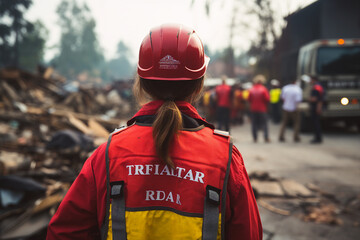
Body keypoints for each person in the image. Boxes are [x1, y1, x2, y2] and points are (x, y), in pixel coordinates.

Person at [46, 24, 262, 240]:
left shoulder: (108, 155)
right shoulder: (225, 158)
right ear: (199, 85)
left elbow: (62, 233)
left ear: (141, 83)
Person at [248, 74, 270, 143]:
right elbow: (267, 99)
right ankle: (266, 137)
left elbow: (249, 99)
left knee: (254, 124)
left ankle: (255, 138)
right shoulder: (264, 89)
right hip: (262, 109)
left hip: (253, 109)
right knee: (264, 124)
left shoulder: (251, 89)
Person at [309, 75, 324, 143]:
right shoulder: (318, 86)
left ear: (313, 80)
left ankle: (317, 138)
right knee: (316, 123)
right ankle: (318, 137)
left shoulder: (316, 87)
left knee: (316, 123)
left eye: (310, 80)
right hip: (316, 107)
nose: (309, 81)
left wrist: (318, 108)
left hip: (315, 107)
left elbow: (317, 99)